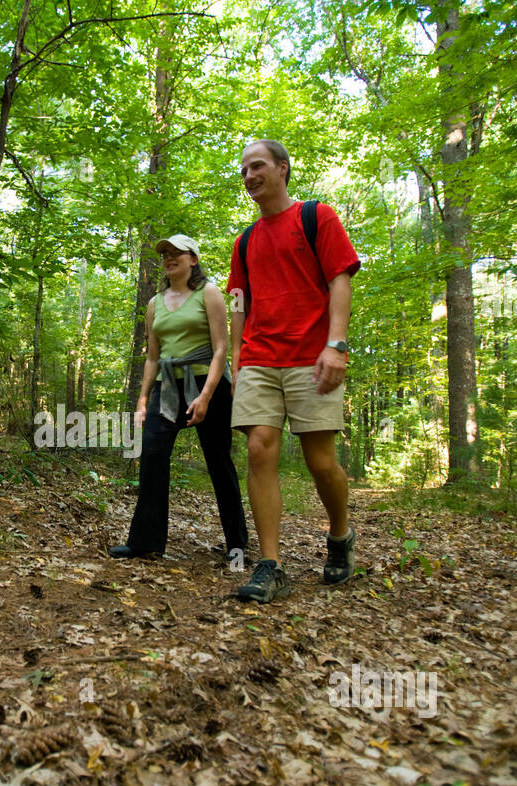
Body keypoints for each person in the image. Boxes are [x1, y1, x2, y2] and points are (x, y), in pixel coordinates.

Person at [226, 139, 361, 603]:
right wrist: (238, 359)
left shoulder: (316, 217)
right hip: (261, 357)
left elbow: (339, 279)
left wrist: (336, 345)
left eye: (257, 166)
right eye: (243, 169)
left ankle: (340, 537)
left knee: (321, 463)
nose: (249, 175)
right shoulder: (243, 242)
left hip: (312, 356)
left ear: (282, 169)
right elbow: (239, 302)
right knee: (259, 448)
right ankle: (271, 564)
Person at [110, 234, 248, 562]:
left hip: (206, 382)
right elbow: (152, 357)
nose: (170, 258)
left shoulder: (209, 293)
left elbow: (220, 350)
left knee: (219, 462)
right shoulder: (155, 304)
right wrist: (144, 398)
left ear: (193, 259)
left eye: (177, 253)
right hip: (167, 385)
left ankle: (237, 544)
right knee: (153, 456)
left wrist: (206, 395)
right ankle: (145, 542)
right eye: (165, 254)